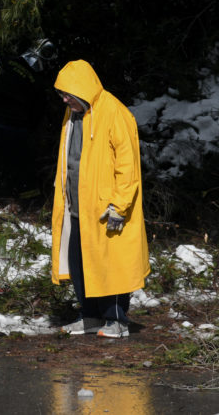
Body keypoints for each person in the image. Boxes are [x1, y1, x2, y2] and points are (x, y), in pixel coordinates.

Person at [50, 60, 149, 338]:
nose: (65, 99)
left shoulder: (115, 112)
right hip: (78, 206)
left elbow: (128, 166)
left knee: (112, 265)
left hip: (107, 208)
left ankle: (117, 320)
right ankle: (91, 316)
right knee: (81, 265)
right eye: (62, 94)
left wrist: (120, 205)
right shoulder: (74, 115)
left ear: (82, 89)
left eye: (68, 93)